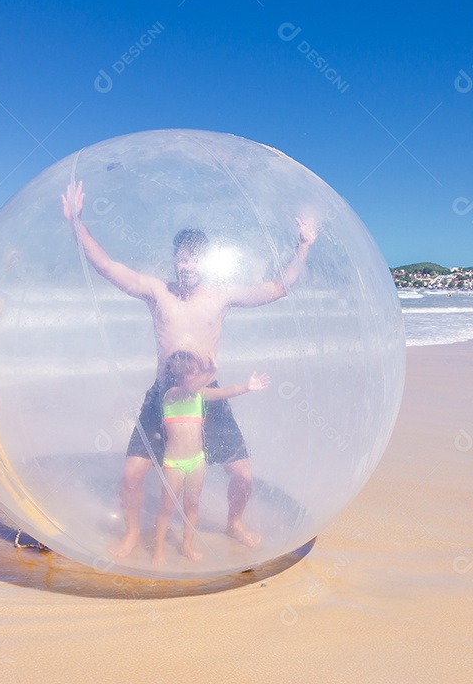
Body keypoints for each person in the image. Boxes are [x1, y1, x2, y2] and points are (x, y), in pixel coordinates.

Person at [62, 180, 317, 558]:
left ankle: (233, 523)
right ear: (175, 260)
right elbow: (108, 266)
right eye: (182, 258)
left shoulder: (221, 296)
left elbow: (278, 288)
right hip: (163, 396)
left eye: (195, 259)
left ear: (205, 261)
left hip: (208, 395)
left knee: (242, 475)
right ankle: (133, 533)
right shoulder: (157, 291)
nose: (188, 266)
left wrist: (303, 246)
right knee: (132, 475)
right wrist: (76, 224)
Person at [151, 351, 269, 566]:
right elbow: (189, 387)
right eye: (193, 374)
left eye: (199, 373)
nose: (198, 378)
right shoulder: (172, 395)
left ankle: (187, 545)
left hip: (196, 461)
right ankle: (158, 550)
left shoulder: (199, 395)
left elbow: (225, 392)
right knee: (167, 508)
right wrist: (211, 371)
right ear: (179, 376)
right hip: (174, 464)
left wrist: (246, 387)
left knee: (193, 505)